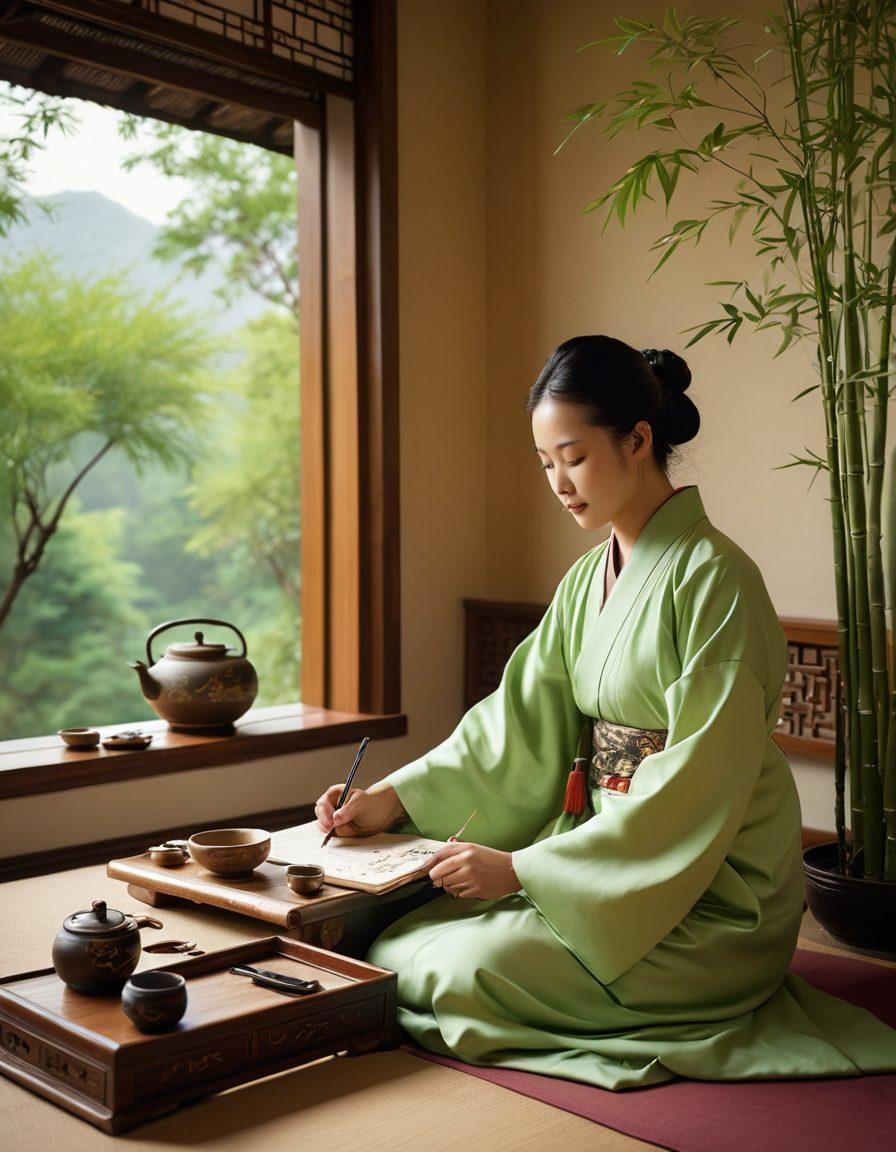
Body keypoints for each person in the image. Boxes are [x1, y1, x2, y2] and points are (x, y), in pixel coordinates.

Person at [315, 335, 896, 1091]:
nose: (559, 483)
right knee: (400, 943)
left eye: (575, 457)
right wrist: (388, 799)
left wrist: (524, 868)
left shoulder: (719, 580)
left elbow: (697, 784)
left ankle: (684, 990)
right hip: (596, 870)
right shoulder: (590, 576)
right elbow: (515, 726)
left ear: (638, 440)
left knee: (456, 969)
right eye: (546, 464)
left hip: (700, 892)